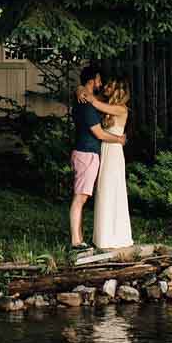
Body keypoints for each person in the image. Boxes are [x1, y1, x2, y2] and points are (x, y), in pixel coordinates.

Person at [69, 64, 125, 251]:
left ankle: (83, 237)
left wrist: (81, 89)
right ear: (92, 80)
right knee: (80, 198)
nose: (102, 85)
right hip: (87, 153)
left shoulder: (92, 101)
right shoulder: (87, 103)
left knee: (87, 196)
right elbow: (99, 133)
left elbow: (97, 101)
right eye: (100, 81)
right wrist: (118, 139)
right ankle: (76, 241)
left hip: (93, 153)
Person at [89, 80, 133, 251]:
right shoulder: (109, 106)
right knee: (103, 190)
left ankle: (116, 236)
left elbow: (95, 102)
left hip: (114, 153)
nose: (105, 88)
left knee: (111, 190)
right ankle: (103, 235)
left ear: (117, 91)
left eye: (109, 86)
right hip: (105, 150)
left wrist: (85, 93)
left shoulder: (121, 109)